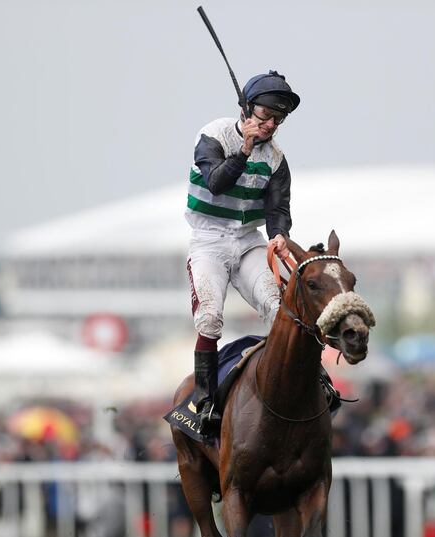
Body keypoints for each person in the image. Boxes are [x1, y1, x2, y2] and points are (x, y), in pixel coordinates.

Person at [185, 70, 300, 436]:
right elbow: (216, 183)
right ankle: (203, 403)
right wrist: (245, 148)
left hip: (249, 239)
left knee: (280, 308)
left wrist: (280, 235)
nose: (270, 125)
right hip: (209, 241)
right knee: (210, 318)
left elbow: (278, 208)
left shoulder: (277, 159)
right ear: (247, 109)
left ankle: (295, 386)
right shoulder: (213, 135)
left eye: (277, 120)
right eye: (265, 116)